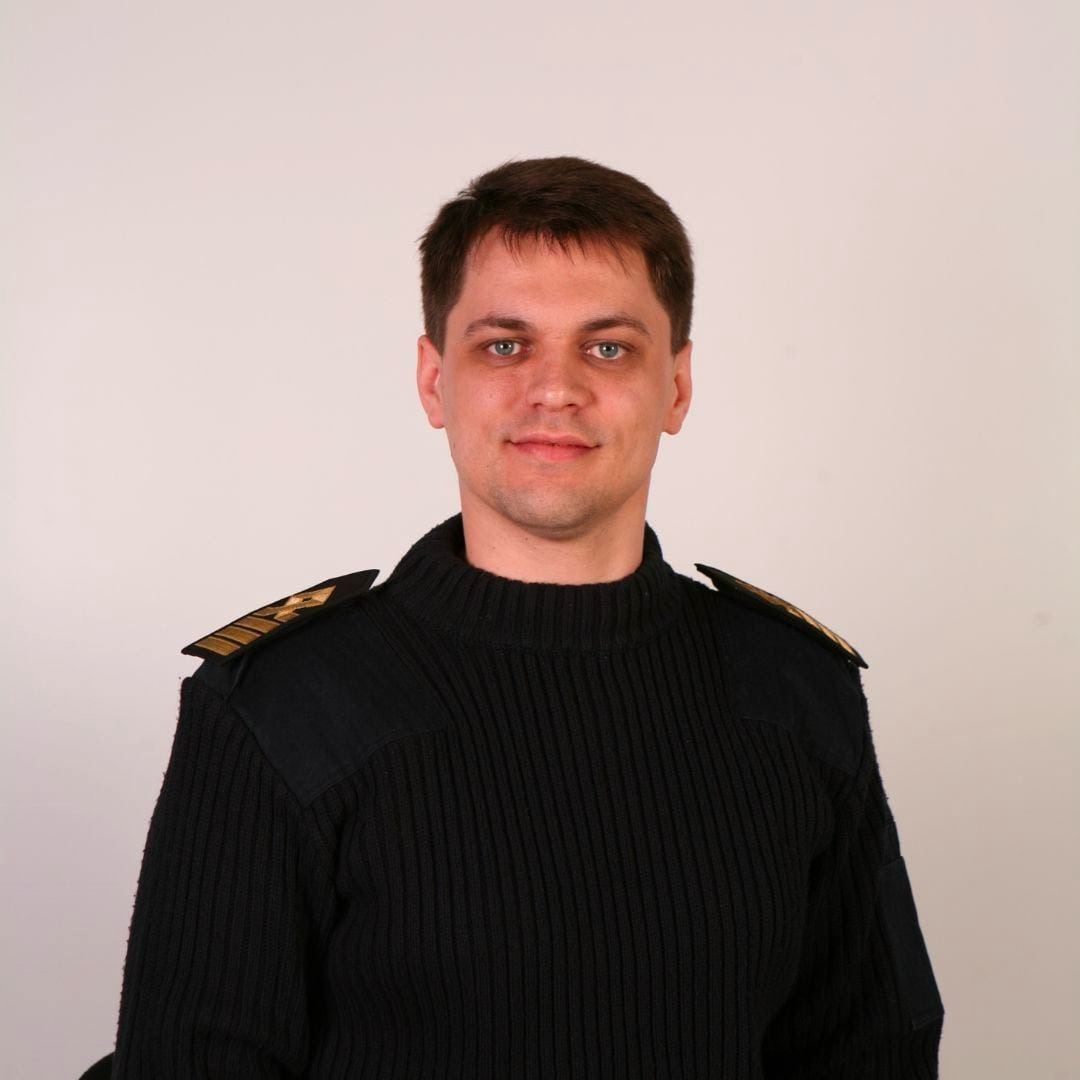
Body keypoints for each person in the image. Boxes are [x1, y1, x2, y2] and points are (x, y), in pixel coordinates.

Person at [109, 155, 945, 1077]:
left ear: (676, 385)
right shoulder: (278, 707)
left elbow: (875, 1057)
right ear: (434, 380)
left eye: (608, 347)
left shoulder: (797, 692)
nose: (556, 389)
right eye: (504, 346)